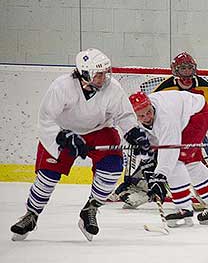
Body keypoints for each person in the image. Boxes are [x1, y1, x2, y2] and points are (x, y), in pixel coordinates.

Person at [10, 48, 151, 241]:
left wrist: (134, 133)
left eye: (105, 72)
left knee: (112, 167)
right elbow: (46, 119)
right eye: (98, 73)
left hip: (99, 130)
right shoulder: (62, 87)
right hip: (62, 131)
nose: (104, 77)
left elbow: (124, 115)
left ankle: (90, 209)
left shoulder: (113, 87)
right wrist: (63, 137)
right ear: (84, 73)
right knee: (47, 177)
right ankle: (31, 215)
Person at [112, 51, 208, 207]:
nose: (186, 73)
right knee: (159, 156)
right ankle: (142, 187)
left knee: (194, 149)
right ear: (174, 71)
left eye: (189, 69)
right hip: (168, 130)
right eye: (182, 69)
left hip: (194, 127)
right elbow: (150, 119)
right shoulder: (163, 89)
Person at [128, 90, 208, 227]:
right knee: (192, 162)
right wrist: (147, 164)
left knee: (179, 160)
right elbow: (148, 140)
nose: (147, 117)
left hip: (195, 115)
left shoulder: (166, 117)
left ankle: (184, 210)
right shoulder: (133, 119)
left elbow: (170, 151)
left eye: (148, 112)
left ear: (150, 105)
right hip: (186, 114)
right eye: (141, 116)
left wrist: (159, 176)